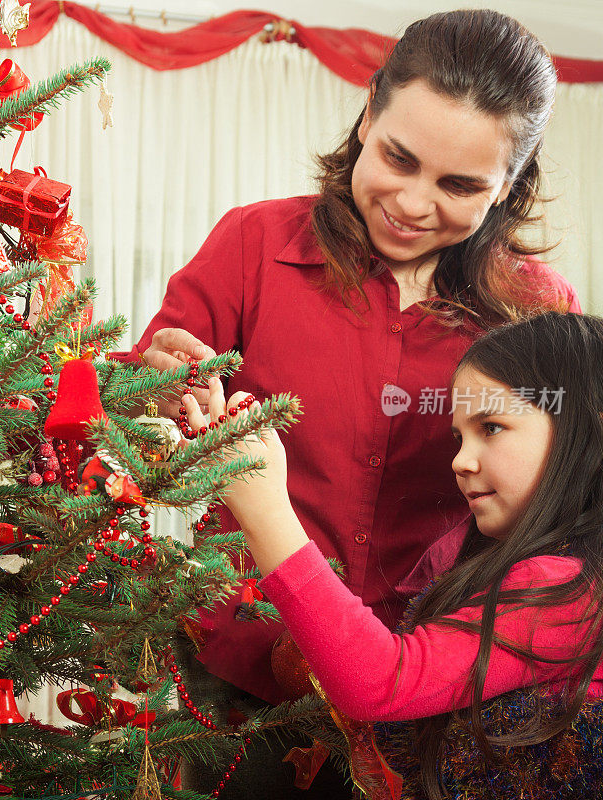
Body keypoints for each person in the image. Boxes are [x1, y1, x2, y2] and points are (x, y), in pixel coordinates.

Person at [111, 9, 581, 797]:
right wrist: (156, 379)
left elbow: (559, 504)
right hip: (240, 673)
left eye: (460, 184)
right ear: (368, 113)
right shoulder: (254, 245)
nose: (412, 201)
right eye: (399, 157)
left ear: (510, 185)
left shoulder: (539, 312)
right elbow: (130, 408)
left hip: (436, 687)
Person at [182, 311, 603, 799]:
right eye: (459, 437)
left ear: (586, 428)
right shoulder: (522, 569)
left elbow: (382, 680)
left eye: (491, 426)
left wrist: (265, 510)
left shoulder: (566, 588)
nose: (460, 461)